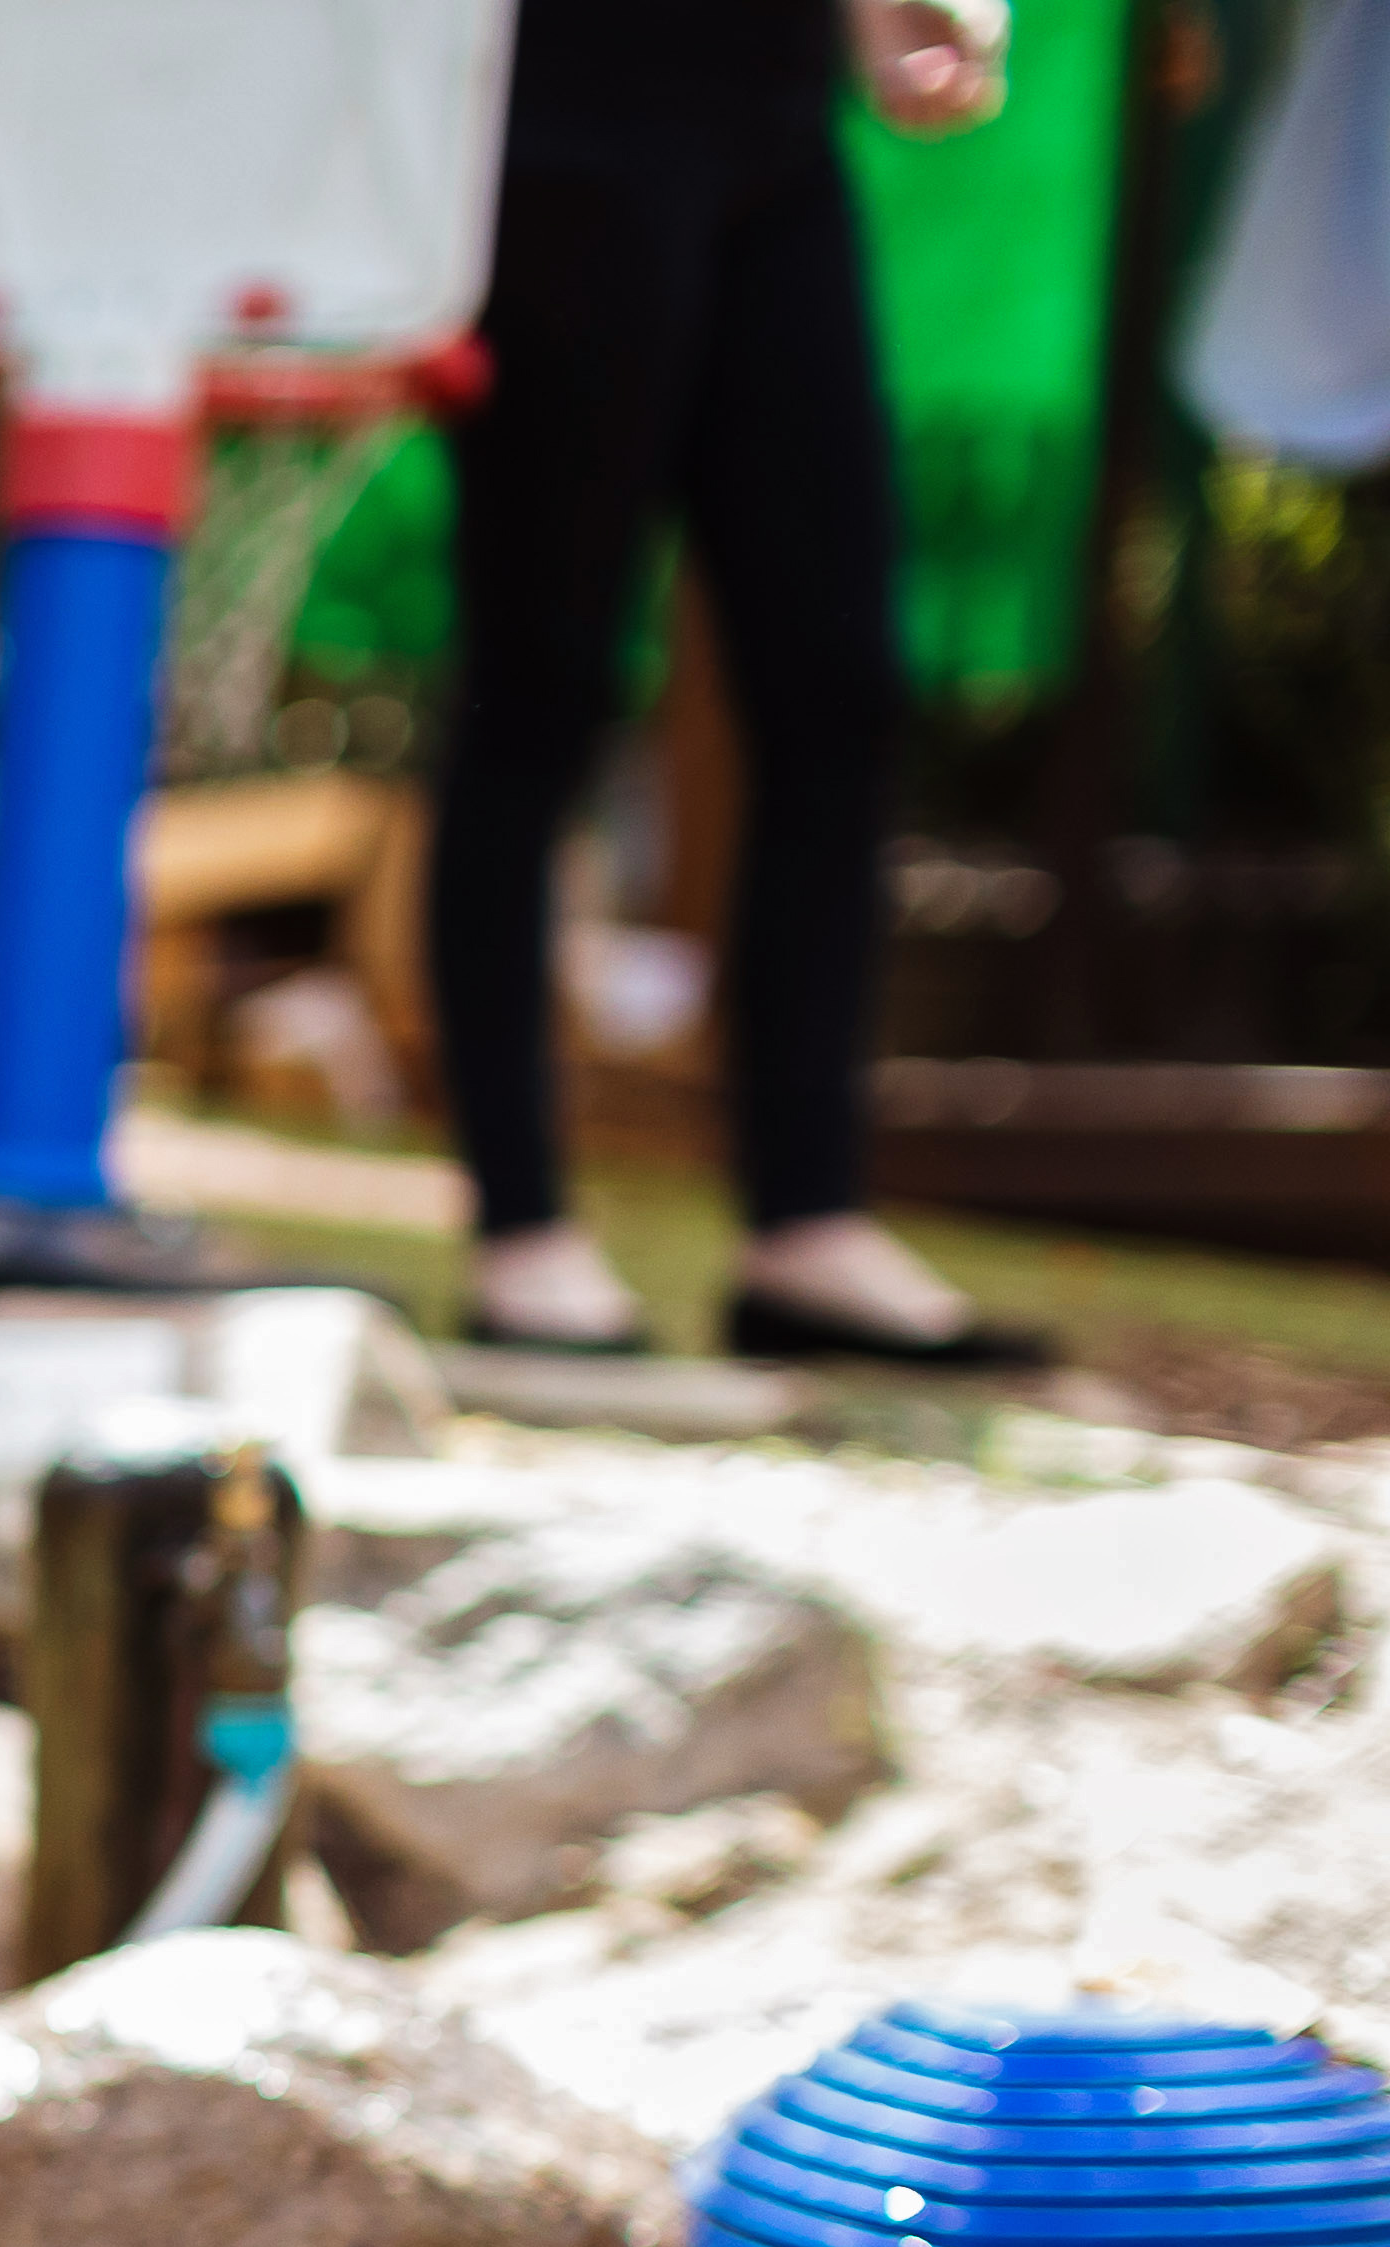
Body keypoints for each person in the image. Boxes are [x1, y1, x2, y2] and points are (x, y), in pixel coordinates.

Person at [432, 0, 1047, 1368]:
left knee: (837, 683)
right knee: (542, 678)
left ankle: (807, 1224)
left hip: (774, 124)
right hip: (564, 114)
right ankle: (520, 1226)